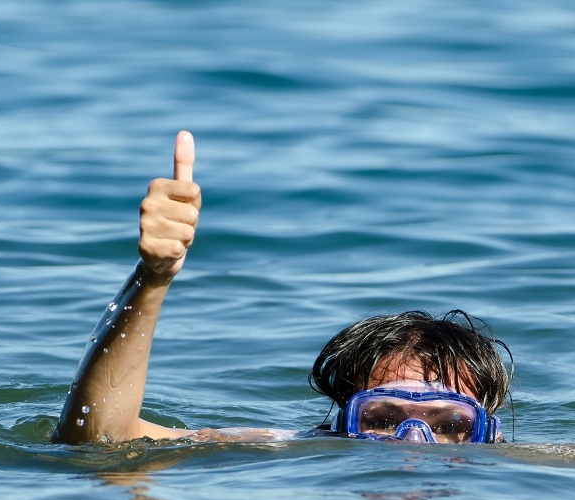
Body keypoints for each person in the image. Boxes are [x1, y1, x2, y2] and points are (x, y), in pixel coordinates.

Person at [53, 131, 512, 446]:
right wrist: (151, 280)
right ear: (338, 425)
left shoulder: (524, 465)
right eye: (383, 420)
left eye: (453, 425)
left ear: (488, 434)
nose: (413, 448)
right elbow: (101, 437)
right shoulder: (294, 450)